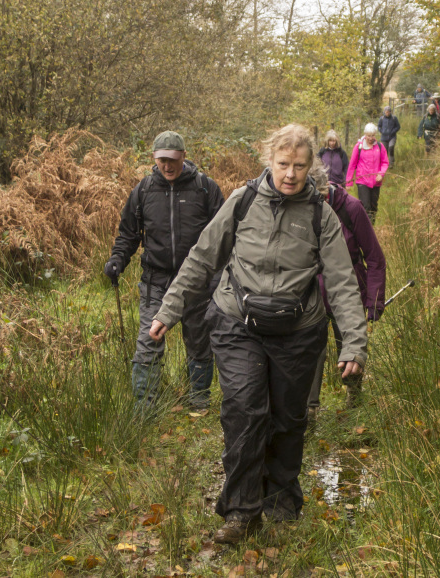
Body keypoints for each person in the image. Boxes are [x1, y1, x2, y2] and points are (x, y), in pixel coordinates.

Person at [148, 124, 367, 546]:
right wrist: (169, 310)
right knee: (245, 413)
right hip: (236, 323)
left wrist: (353, 342)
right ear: (270, 160)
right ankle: (242, 512)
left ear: (310, 168)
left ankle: (281, 500)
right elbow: (203, 256)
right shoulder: (243, 200)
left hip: (298, 331)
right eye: (283, 164)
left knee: (288, 418)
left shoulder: (323, 215)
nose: (290, 174)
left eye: (299, 166)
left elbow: (342, 282)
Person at [104, 130, 223, 411]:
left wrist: (217, 277)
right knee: (149, 340)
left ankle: (199, 400)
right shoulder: (144, 191)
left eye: (172, 159)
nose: (167, 166)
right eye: (161, 160)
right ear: (154, 159)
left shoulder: (205, 188)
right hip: (155, 281)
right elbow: (128, 235)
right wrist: (117, 260)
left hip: (197, 281)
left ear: (183, 156)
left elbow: (223, 236)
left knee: (198, 341)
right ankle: (145, 407)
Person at [307, 174, 386, 417]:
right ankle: (309, 409)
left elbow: (374, 257)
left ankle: (353, 395)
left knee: (349, 347)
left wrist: (373, 302)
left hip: (350, 291)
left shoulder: (352, 208)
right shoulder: (303, 208)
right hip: (313, 294)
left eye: (320, 199)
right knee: (311, 351)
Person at [345, 123, 389, 223]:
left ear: (375, 135)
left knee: (374, 207)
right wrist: (348, 182)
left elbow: (385, 162)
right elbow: (352, 165)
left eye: (372, 135)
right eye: (368, 135)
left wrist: (381, 174)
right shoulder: (359, 147)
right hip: (362, 181)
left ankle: (371, 227)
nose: (370, 138)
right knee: (366, 206)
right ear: (365, 135)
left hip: (376, 182)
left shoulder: (380, 146)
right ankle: (367, 229)